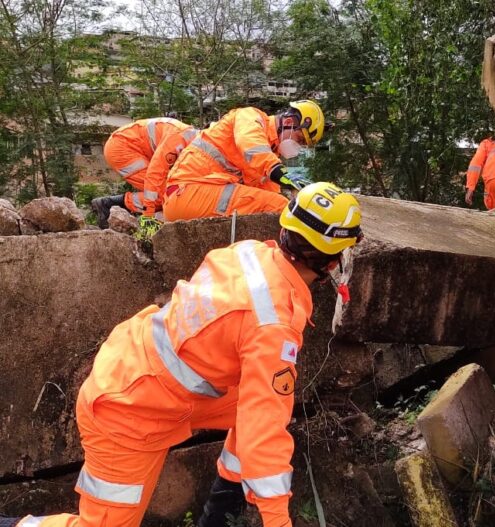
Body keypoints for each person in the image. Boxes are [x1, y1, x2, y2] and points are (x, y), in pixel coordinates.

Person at [1, 182, 363, 527]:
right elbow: (263, 436)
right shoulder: (272, 325)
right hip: (128, 411)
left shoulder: (249, 252)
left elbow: (257, 410)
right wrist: (277, 519)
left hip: (140, 369)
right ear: (331, 262)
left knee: (258, 407)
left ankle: (219, 515)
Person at [163, 100, 328, 221]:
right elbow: (250, 143)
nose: (298, 147)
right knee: (279, 208)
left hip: (195, 195)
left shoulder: (269, 155)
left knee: (280, 205)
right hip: (187, 191)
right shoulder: (251, 117)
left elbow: (267, 194)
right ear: (289, 122)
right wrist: (280, 173)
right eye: (299, 139)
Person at [92, 117, 197, 228]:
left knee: (172, 193)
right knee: (167, 195)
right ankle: (107, 205)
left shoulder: (191, 141)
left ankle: (113, 204)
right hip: (122, 149)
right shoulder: (178, 141)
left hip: (127, 143)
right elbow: (154, 176)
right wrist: (149, 215)